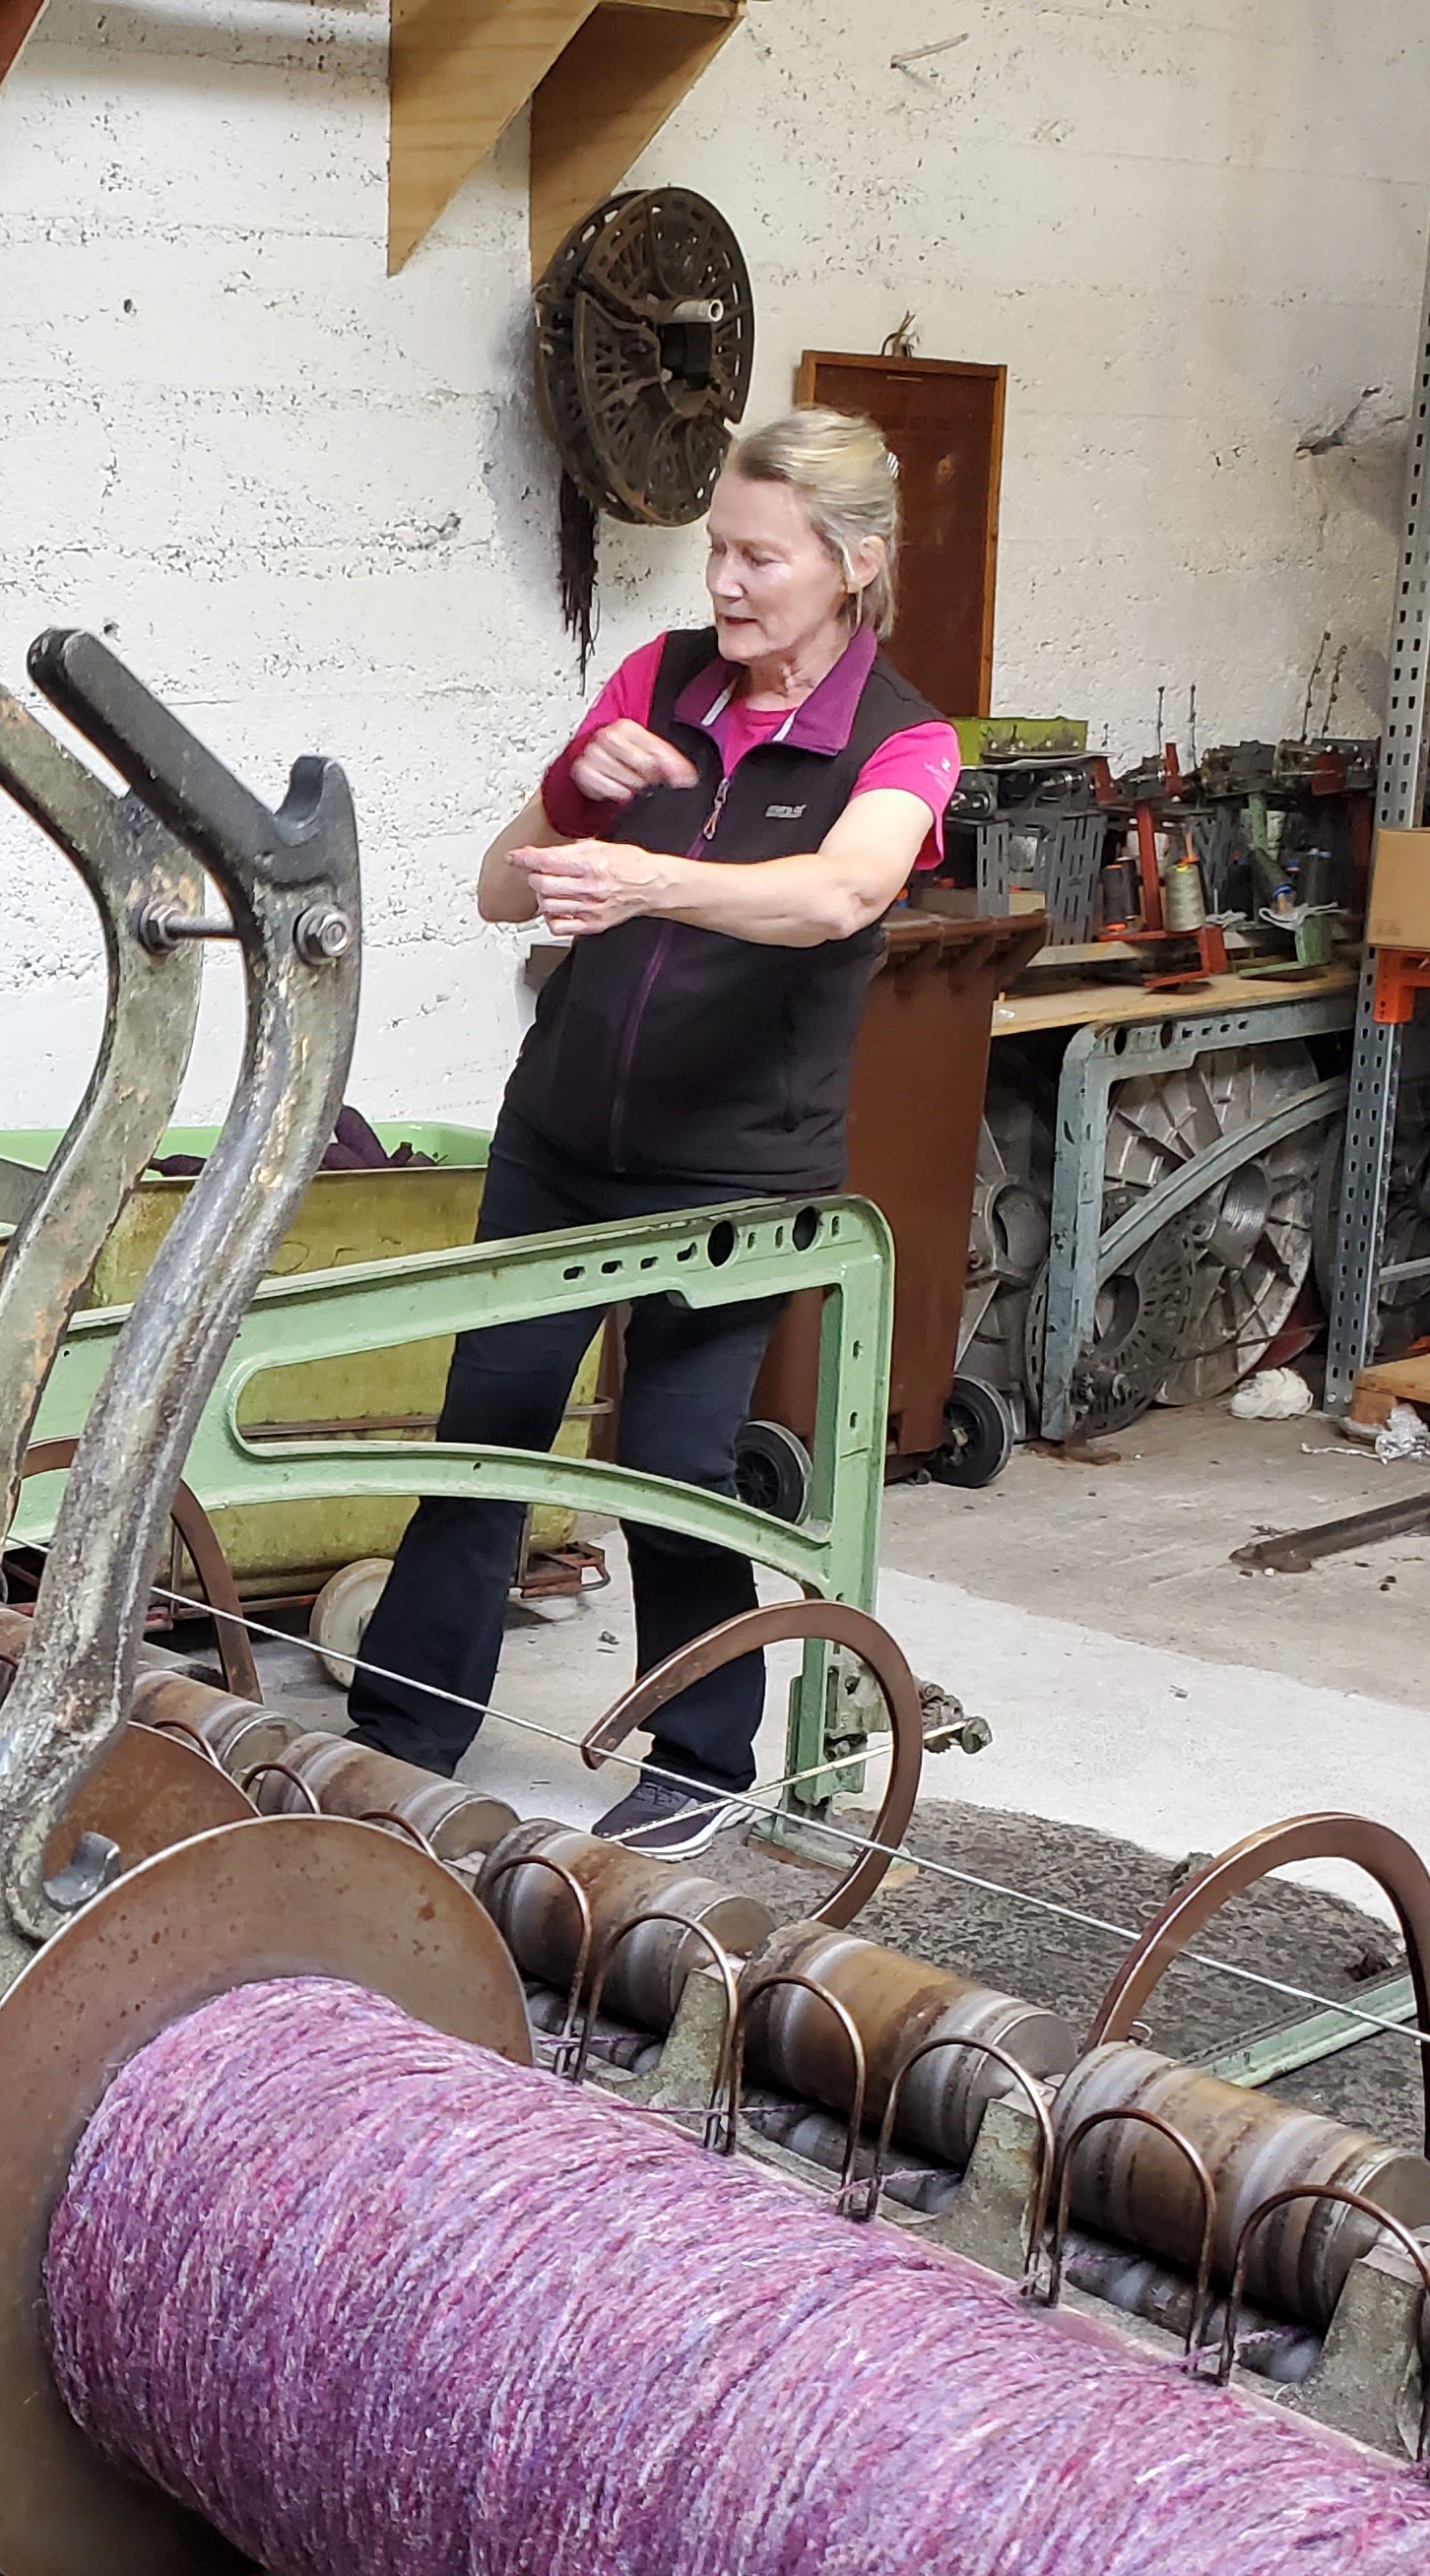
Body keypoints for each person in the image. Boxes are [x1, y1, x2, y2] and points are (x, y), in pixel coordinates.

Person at [347, 409, 954, 1855]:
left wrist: (642, 878)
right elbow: (507, 888)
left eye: (760, 557)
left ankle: (699, 1762)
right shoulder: (658, 680)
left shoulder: (903, 739)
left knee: (676, 1463)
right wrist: (573, 800)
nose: (726, 587)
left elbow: (836, 898)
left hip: (733, 1170)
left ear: (852, 564)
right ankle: (400, 1740)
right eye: (716, 554)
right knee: (487, 1432)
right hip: (560, 1136)